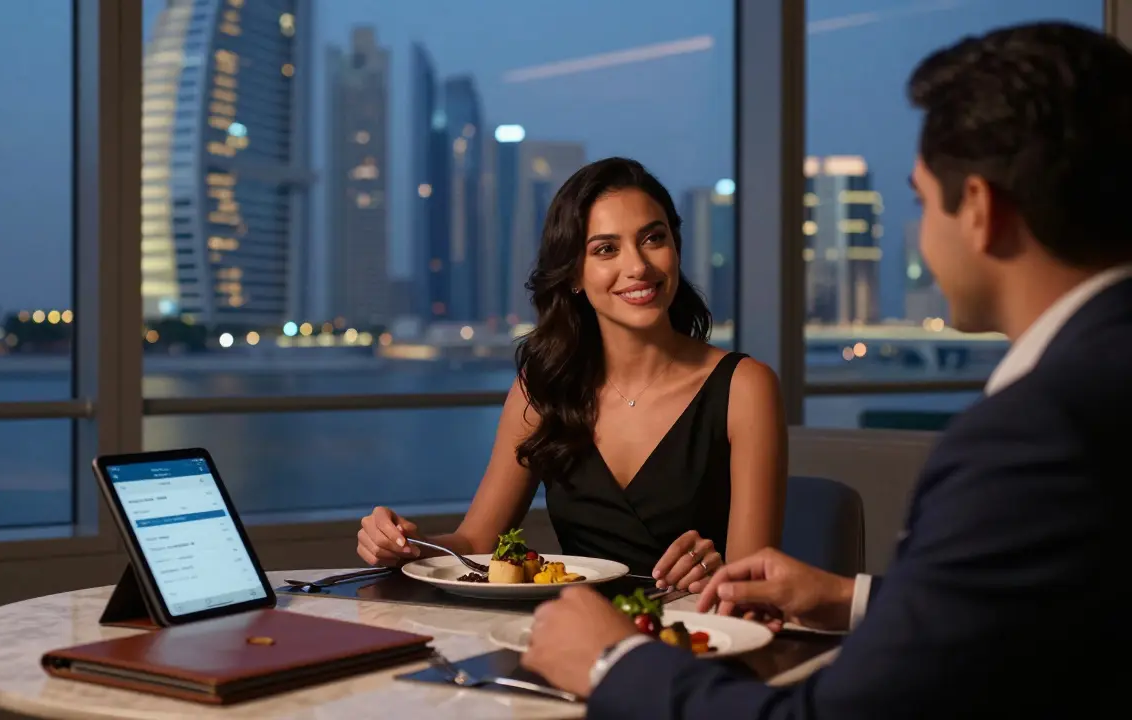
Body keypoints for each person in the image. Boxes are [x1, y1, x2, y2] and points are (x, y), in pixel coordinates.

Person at [522, 21, 1130, 718]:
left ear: (981, 212)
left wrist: (610, 661)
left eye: (921, 200)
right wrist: (847, 597)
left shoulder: (1036, 435)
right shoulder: (1095, 389)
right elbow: (1032, 612)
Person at [356, 157, 788, 584]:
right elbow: (475, 542)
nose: (637, 266)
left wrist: (716, 573)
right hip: (575, 639)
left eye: (653, 239)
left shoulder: (746, 388)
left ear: (675, 247)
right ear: (575, 274)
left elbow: (754, 585)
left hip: (697, 639)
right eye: (606, 249)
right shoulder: (542, 390)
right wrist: (408, 547)